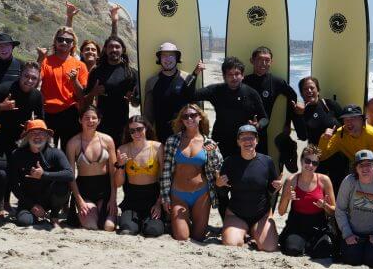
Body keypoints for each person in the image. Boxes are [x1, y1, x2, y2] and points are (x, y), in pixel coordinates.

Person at [183, 56, 268, 219]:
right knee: (220, 185)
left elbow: (265, 117)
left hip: (243, 146)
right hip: (220, 145)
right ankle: (227, 220)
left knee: (241, 185)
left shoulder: (251, 93)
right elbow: (189, 95)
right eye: (230, 74)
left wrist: (259, 126)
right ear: (224, 76)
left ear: (242, 75)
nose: (234, 77)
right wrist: (195, 74)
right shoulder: (217, 90)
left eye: (237, 74)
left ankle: (242, 219)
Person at [0, 61, 45, 212]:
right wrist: (0, 107)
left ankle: (5, 202)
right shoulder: (6, 88)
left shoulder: (37, 95)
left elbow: (41, 119)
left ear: (38, 80)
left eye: (34, 78)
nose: (29, 80)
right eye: (26, 76)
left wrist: (31, 125)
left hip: (17, 139)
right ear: (20, 75)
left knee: (13, 171)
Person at [160, 103, 222, 241]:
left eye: (193, 115)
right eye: (185, 116)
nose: (189, 119)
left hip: (201, 194)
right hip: (178, 194)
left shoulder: (209, 142)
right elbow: (166, 170)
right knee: (182, 237)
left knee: (198, 237)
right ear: (181, 120)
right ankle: (179, 223)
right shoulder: (173, 140)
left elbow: (216, 170)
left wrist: (211, 153)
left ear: (200, 117)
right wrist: (165, 197)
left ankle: (189, 222)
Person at [216, 125, 281, 252]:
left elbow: (270, 190)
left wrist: (276, 187)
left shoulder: (267, 161)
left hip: (261, 215)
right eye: (243, 138)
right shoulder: (229, 162)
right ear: (238, 142)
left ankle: (253, 231)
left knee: (269, 247)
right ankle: (245, 232)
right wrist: (218, 185)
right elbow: (223, 194)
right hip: (237, 215)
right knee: (231, 244)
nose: (247, 141)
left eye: (251, 138)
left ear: (256, 141)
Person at [8, 120, 73, 228]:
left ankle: (54, 215)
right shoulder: (17, 154)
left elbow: (69, 174)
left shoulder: (55, 153)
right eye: (33, 133)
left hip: (50, 198)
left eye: (41, 133)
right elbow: (13, 185)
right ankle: (37, 215)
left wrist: (44, 174)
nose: (37, 136)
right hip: (28, 199)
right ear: (27, 136)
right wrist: (32, 205)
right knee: (24, 221)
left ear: (47, 136)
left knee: (62, 184)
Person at [277, 145, 336, 258]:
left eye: (314, 163)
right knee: (292, 250)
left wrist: (325, 206)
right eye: (307, 161)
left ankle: (309, 244)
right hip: (297, 225)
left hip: (318, 225)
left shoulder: (324, 180)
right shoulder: (292, 180)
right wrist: (286, 198)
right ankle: (304, 244)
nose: (310, 165)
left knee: (323, 252)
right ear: (301, 160)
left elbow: (333, 211)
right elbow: (280, 212)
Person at [66, 106, 118, 231]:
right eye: (87, 118)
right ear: (80, 120)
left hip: (104, 188)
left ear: (99, 121)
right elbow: (70, 175)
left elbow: (113, 172)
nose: (90, 121)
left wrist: (113, 198)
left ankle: (105, 213)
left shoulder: (108, 140)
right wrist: (79, 201)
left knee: (109, 227)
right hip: (84, 189)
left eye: (94, 118)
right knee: (92, 225)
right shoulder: (73, 143)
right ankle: (82, 214)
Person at [317, 104, 373, 192]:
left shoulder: (372, 135)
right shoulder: (340, 134)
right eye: (346, 119)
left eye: (353, 118)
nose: (349, 122)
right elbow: (322, 156)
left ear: (362, 120)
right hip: (357, 173)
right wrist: (324, 139)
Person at [242, 46, 299, 156]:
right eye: (259, 59)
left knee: (261, 165)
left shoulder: (276, 82)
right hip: (242, 132)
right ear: (252, 61)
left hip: (262, 133)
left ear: (271, 62)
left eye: (267, 60)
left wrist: (287, 122)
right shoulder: (244, 81)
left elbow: (293, 96)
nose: (263, 63)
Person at [114, 116, 165, 237]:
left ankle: (156, 222)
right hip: (132, 199)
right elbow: (118, 183)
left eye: (139, 129)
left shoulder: (157, 147)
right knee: (127, 230)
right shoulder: (123, 149)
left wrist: (159, 204)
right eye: (132, 131)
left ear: (146, 128)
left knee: (153, 231)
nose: (136, 133)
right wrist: (120, 166)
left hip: (153, 199)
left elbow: (164, 177)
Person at [40, 26, 89, 149]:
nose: (64, 42)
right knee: (47, 151)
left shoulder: (80, 65)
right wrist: (40, 59)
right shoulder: (45, 61)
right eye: (60, 39)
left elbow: (82, 95)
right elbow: (34, 83)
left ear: (73, 44)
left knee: (69, 151)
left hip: (69, 114)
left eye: (68, 40)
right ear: (55, 41)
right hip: (47, 113)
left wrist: (74, 81)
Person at [85, 36, 139, 146]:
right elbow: (86, 100)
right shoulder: (96, 71)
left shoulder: (131, 73)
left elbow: (136, 103)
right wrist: (93, 93)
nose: (114, 50)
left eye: (117, 47)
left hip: (122, 125)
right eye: (110, 47)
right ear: (105, 49)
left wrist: (132, 98)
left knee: (120, 159)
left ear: (123, 49)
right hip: (100, 124)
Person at [293, 76, 347, 182]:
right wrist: (299, 115)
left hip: (338, 156)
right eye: (305, 89)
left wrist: (335, 132)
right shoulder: (300, 112)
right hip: (317, 158)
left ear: (318, 90)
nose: (309, 91)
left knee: (337, 190)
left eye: (312, 88)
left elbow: (346, 126)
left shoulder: (329, 104)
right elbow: (302, 136)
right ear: (301, 93)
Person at [142, 42, 192, 142]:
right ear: (159, 59)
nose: (167, 59)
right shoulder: (151, 82)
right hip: (160, 135)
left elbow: (196, 107)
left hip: (185, 134)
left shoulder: (187, 78)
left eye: (171, 56)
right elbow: (148, 113)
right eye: (164, 56)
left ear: (177, 58)